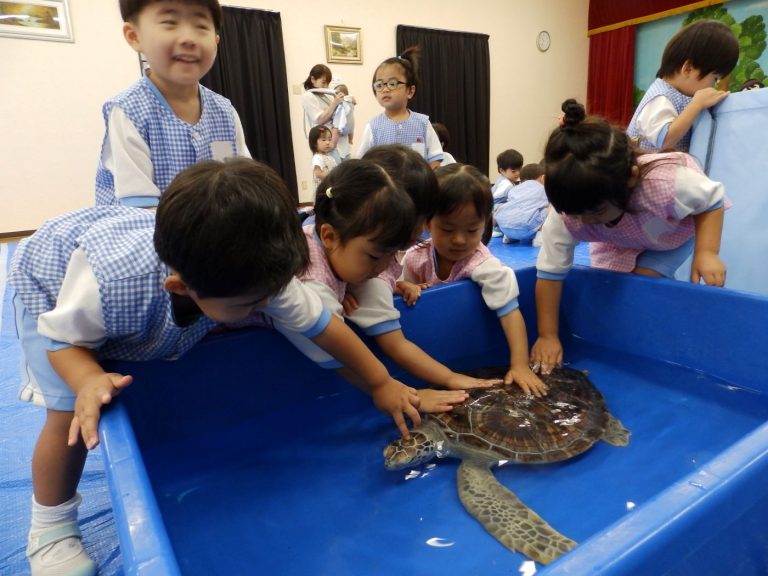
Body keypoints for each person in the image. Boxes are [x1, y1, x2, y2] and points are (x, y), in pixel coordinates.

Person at [9, 158, 421, 576]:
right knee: (68, 414)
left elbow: (324, 329)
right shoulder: (110, 284)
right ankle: (50, 529)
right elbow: (61, 341)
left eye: (269, 297)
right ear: (182, 288)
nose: (265, 307)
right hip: (51, 287)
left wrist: (380, 383)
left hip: (149, 282)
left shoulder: (260, 273)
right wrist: (88, 377)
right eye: (249, 305)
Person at [278, 158, 497, 412]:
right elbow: (337, 353)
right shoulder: (312, 284)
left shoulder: (339, 245)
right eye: (374, 256)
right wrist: (396, 390)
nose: (383, 269)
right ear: (328, 236)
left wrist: (356, 286)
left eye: (393, 254)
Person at [531, 99, 726, 374]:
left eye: (593, 212)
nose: (582, 221)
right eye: (576, 215)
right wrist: (547, 335)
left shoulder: (668, 183)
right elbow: (550, 274)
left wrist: (707, 252)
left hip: (665, 230)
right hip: (615, 237)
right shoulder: (569, 214)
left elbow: (712, 201)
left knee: (640, 281)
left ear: (631, 178)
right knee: (611, 287)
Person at [397, 163, 548, 396]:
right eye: (447, 229)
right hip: (429, 349)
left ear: (485, 224)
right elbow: (398, 294)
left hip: (468, 345)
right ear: (427, 222)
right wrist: (406, 287)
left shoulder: (485, 266)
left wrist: (519, 365)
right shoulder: (415, 257)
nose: (459, 240)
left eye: (471, 230)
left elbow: (510, 314)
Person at [95, 0, 251, 207]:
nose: (188, 38)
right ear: (134, 36)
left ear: (215, 41)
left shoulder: (224, 111)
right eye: (169, 22)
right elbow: (140, 207)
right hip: (145, 226)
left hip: (213, 227)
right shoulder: (128, 110)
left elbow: (239, 179)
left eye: (201, 26)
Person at [627, 19, 739, 152]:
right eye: (715, 78)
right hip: (645, 170)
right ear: (688, 69)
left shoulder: (684, 94)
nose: (714, 85)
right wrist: (697, 104)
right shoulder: (660, 97)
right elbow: (665, 140)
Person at [355, 46, 444, 168]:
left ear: (410, 91)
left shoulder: (423, 123)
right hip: (387, 186)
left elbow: (435, 158)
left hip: (419, 185)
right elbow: (362, 162)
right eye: (379, 85)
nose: (385, 89)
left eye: (392, 83)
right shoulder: (373, 127)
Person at [495, 162, 549, 244]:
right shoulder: (543, 189)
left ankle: (510, 237)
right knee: (549, 210)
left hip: (504, 227)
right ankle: (539, 238)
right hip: (526, 228)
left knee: (507, 207)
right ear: (543, 178)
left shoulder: (514, 189)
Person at [301, 63, 344, 163]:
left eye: (327, 83)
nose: (326, 86)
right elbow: (319, 120)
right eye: (323, 82)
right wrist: (334, 104)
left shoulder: (326, 95)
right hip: (323, 144)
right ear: (313, 79)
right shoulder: (308, 96)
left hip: (336, 142)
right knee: (328, 174)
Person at [308, 125, 338, 192]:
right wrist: (332, 176)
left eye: (329, 139)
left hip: (330, 188)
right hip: (322, 190)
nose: (327, 142)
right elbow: (318, 173)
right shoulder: (317, 157)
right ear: (314, 143)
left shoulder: (330, 158)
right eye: (323, 140)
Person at [332, 83, 356, 161]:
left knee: (335, 131)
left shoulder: (342, 103)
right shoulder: (350, 102)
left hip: (340, 126)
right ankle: (351, 139)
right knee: (351, 130)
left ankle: (333, 145)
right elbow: (354, 101)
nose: (335, 97)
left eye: (336, 94)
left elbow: (336, 113)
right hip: (349, 126)